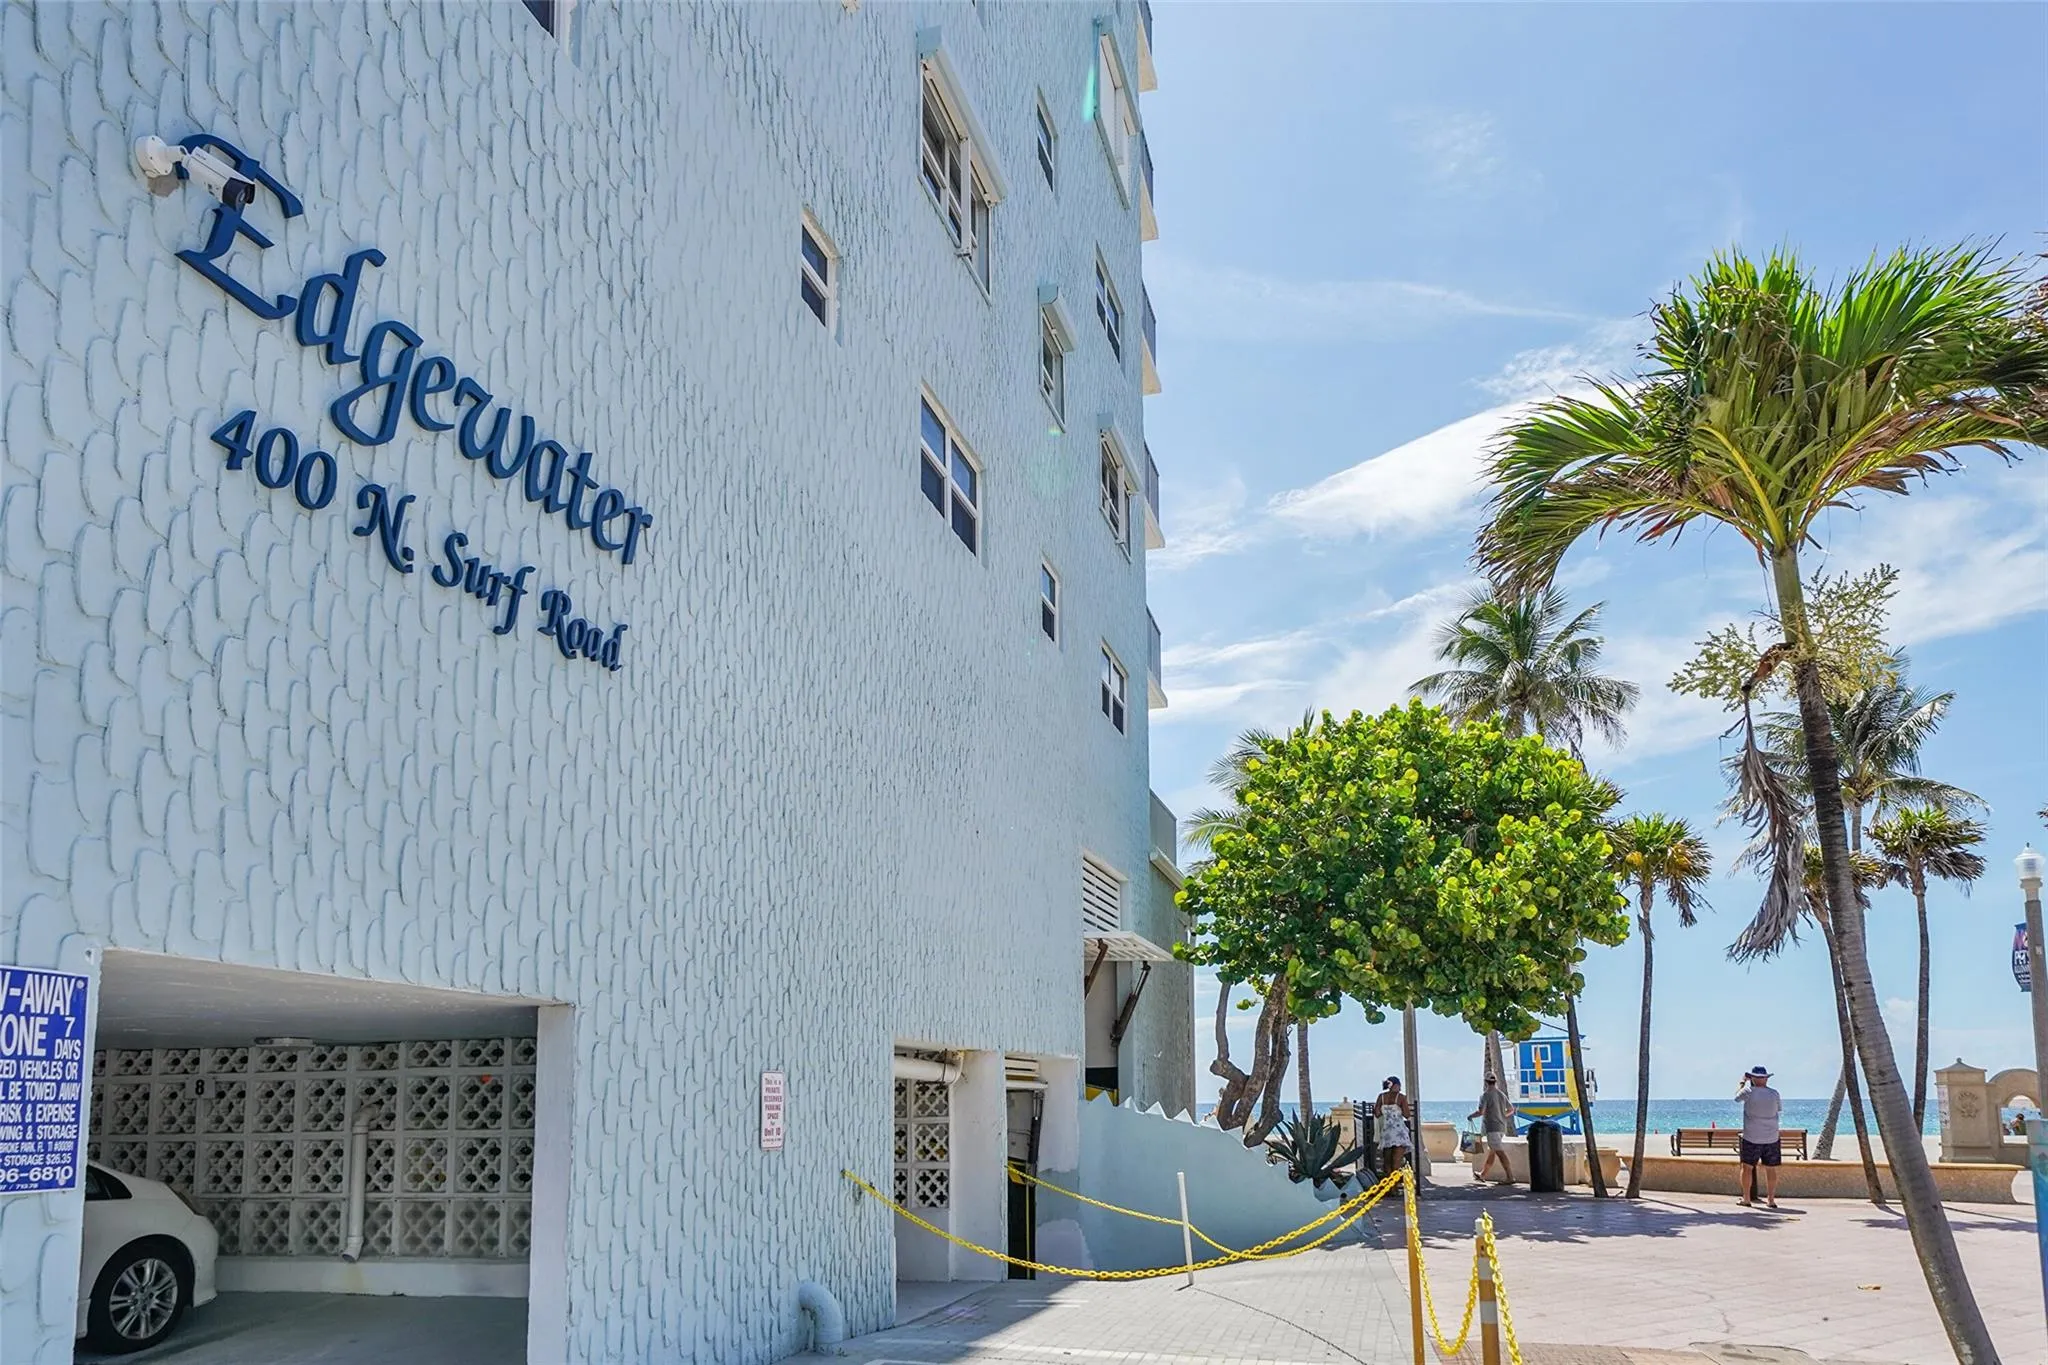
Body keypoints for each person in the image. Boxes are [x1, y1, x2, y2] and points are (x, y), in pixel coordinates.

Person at [1735, 1064, 1783, 1209]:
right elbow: (1778, 1110)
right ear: (1766, 1078)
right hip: (1772, 1137)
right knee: (1771, 1169)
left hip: (1751, 1136)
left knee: (1747, 1168)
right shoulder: (1774, 1093)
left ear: (1753, 1078)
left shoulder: (1748, 1091)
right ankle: (1771, 1200)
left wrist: (1742, 1082)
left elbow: (1736, 1097)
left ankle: (1746, 1198)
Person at [1468, 1074, 1516, 1183]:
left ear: (1485, 1082)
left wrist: (1471, 1116)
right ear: (1495, 1081)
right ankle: (1483, 1174)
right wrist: (1502, 1116)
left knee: (1499, 1152)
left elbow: (1481, 1112)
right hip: (1501, 1127)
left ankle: (1510, 1177)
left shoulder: (1485, 1095)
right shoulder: (1501, 1094)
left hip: (1492, 1128)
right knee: (1492, 1151)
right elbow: (1511, 1110)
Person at [1375, 1076, 1413, 1176]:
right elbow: (1407, 1114)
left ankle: (1390, 1184)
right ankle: (1395, 1184)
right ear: (1395, 1085)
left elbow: (1377, 1113)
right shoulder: (1401, 1097)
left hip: (1386, 1132)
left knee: (1387, 1162)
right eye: (1399, 1085)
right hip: (1399, 1132)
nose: (1400, 1088)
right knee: (1396, 1163)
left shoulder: (1381, 1097)